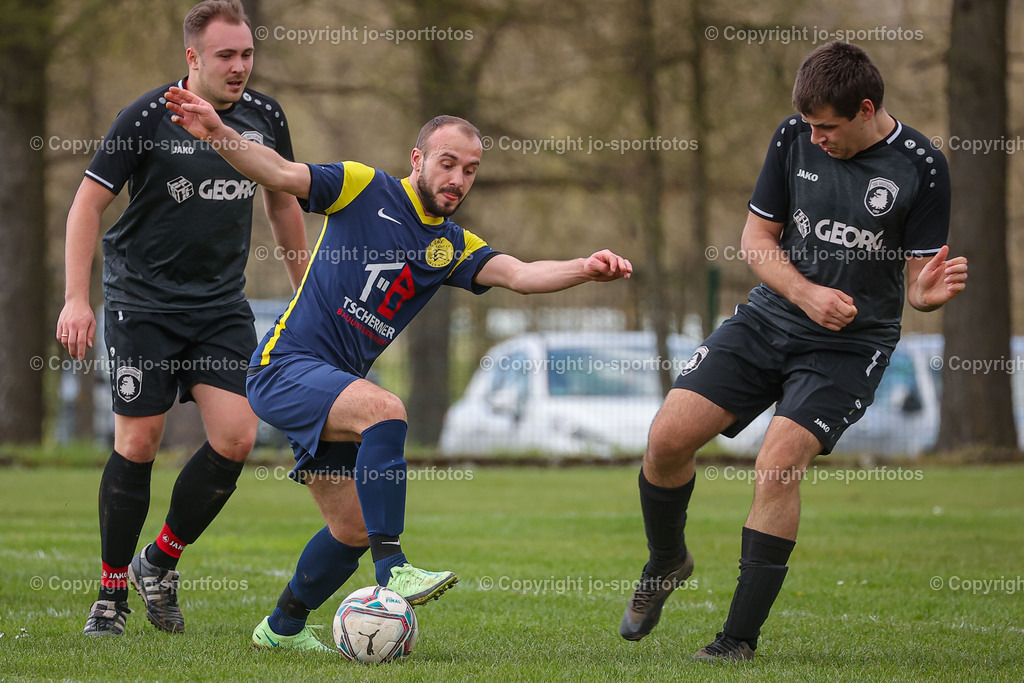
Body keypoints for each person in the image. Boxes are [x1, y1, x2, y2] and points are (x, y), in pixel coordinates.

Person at [163, 86, 635, 650]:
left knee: (350, 529)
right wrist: (218, 132)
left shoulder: (451, 246)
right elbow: (281, 174)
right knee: (385, 408)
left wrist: (586, 267)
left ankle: (282, 628)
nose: (458, 178)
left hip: (334, 389)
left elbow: (521, 273)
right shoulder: (365, 187)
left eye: (471, 169)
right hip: (285, 366)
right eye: (447, 162)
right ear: (418, 160)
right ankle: (395, 570)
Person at [619, 41, 968, 661]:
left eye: (827, 127)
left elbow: (918, 284)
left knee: (778, 464)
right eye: (808, 124)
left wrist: (927, 293)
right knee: (667, 438)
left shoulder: (922, 166)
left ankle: (735, 642)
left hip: (851, 344)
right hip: (774, 313)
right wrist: (805, 294)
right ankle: (667, 558)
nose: (816, 137)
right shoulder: (793, 137)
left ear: (865, 110)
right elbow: (757, 239)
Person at [57, 0, 308, 637]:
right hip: (143, 303)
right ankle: (110, 593)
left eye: (247, 54)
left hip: (220, 307)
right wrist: (77, 299)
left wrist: (304, 289)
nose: (240, 67)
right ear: (192, 58)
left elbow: (282, 202)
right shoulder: (147, 115)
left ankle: (159, 562)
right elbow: (87, 205)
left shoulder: (265, 117)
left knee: (236, 439)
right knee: (138, 443)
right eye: (226, 55)